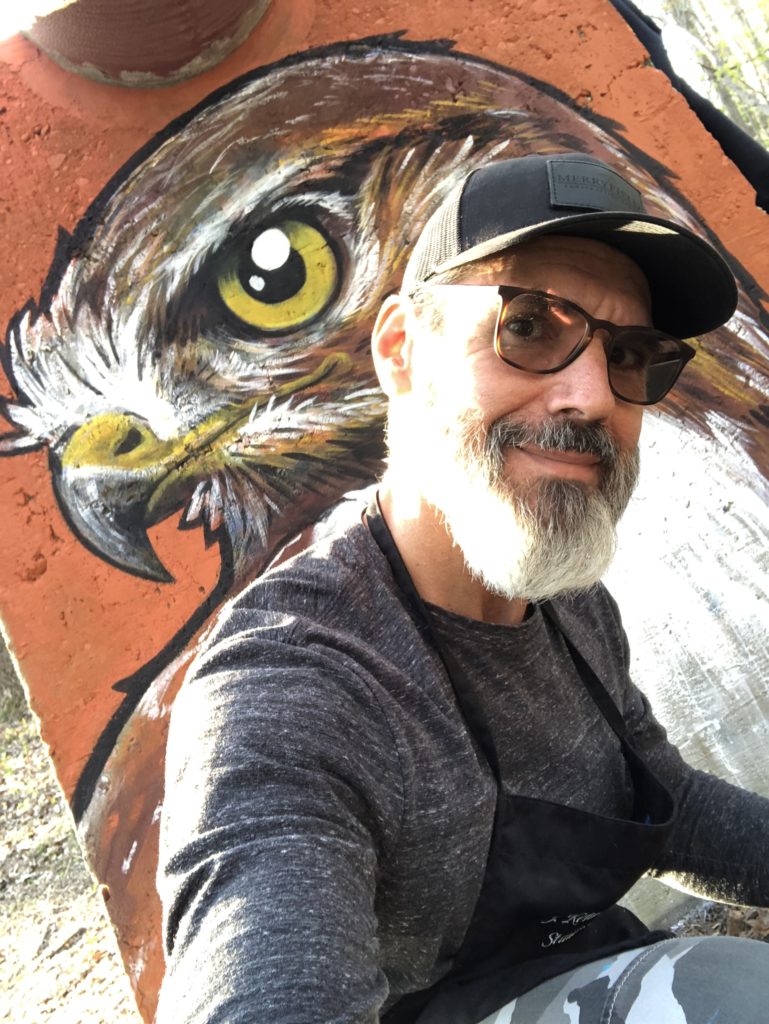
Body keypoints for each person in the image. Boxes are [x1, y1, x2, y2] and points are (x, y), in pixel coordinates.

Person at [157, 152, 769, 1023]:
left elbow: (662, 804)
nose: (590, 396)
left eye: (631, 355)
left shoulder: (566, 599)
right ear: (403, 352)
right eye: (528, 327)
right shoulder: (290, 691)